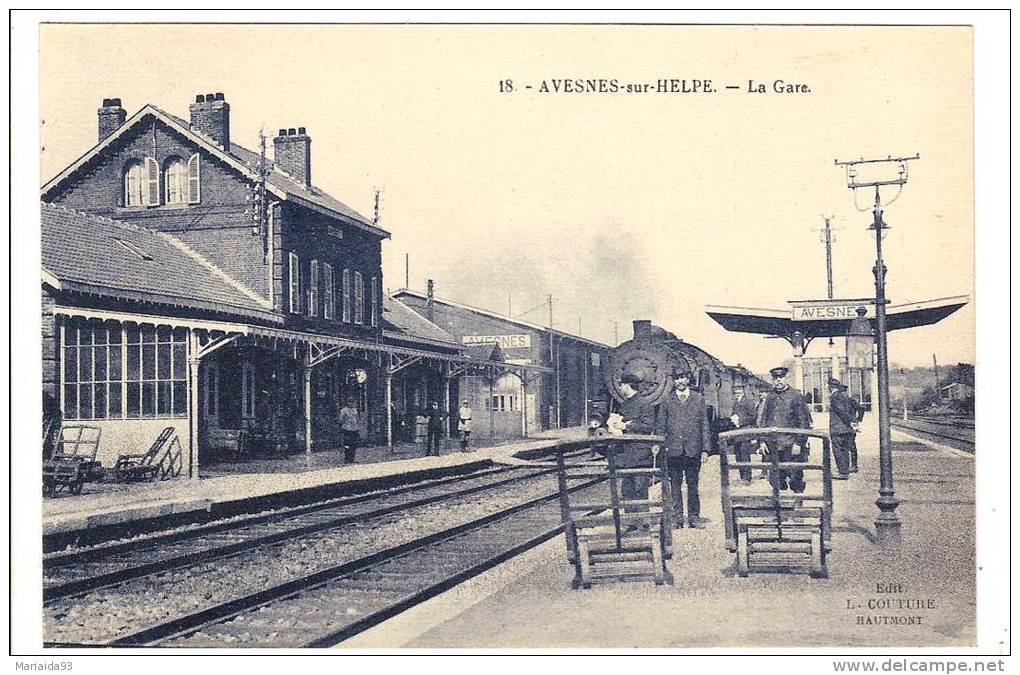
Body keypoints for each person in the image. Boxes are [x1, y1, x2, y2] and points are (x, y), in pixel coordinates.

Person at [657, 369, 711, 529]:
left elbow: (704, 425)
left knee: (693, 485)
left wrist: (705, 450)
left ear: (688, 379)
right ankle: (677, 518)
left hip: (693, 450)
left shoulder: (698, 399)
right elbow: (660, 426)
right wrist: (659, 446)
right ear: (673, 381)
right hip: (673, 450)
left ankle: (694, 517)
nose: (680, 381)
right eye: (677, 378)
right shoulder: (667, 400)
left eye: (683, 378)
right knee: (675, 485)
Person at [757, 366, 813, 493]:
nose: (778, 381)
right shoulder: (770, 397)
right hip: (774, 444)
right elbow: (764, 420)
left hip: (791, 444)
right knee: (776, 479)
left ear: (787, 378)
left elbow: (803, 422)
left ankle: (798, 502)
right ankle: (780, 507)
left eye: (781, 377)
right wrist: (762, 441)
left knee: (795, 477)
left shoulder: (796, 396)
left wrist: (799, 443)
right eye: (775, 378)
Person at [612, 369, 658, 509]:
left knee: (640, 490)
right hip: (626, 454)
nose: (620, 388)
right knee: (627, 491)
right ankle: (630, 522)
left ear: (627, 385)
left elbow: (647, 426)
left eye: (621, 385)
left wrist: (626, 426)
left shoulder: (645, 404)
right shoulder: (624, 404)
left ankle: (643, 524)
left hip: (640, 455)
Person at [827, 376, 861, 478]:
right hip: (847, 428)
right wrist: (856, 421)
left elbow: (840, 411)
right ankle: (845, 470)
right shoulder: (845, 397)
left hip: (838, 428)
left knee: (838, 450)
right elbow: (859, 408)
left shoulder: (834, 397)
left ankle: (842, 472)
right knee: (845, 449)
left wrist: (852, 421)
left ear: (830, 387)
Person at [729, 384, 759, 484]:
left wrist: (741, 421)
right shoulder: (736, 402)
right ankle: (742, 477)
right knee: (738, 455)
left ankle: (747, 478)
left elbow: (753, 416)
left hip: (745, 432)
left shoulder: (748, 401)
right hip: (737, 433)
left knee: (744, 454)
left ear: (742, 390)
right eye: (735, 390)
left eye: (738, 390)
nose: (736, 392)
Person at [338, 398, 360, 463]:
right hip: (347, 429)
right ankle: (347, 459)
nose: (351, 403)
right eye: (349, 402)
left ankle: (352, 459)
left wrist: (357, 427)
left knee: (354, 445)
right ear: (347, 402)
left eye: (352, 402)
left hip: (354, 429)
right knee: (347, 445)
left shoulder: (355, 410)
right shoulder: (343, 411)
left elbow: (357, 419)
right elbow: (340, 420)